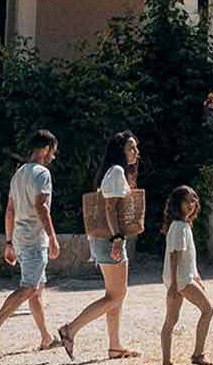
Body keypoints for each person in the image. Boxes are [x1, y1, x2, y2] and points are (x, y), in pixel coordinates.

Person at [0, 129, 62, 359]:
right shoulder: (42, 173)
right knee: (30, 287)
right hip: (34, 239)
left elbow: (10, 210)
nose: (54, 155)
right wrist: (53, 237)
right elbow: (42, 207)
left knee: (36, 290)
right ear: (45, 149)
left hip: (21, 238)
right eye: (53, 151)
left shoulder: (18, 174)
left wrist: (9, 242)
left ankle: (46, 338)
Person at [58, 130, 141, 359]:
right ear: (120, 151)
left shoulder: (114, 172)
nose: (136, 152)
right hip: (109, 239)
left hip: (104, 239)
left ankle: (115, 346)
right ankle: (70, 329)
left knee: (113, 295)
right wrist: (116, 238)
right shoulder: (115, 171)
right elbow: (109, 208)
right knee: (116, 296)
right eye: (131, 147)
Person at [158, 184, 213, 365]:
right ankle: (198, 355)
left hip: (182, 279)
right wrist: (174, 285)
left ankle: (167, 361)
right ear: (178, 204)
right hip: (181, 280)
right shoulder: (180, 226)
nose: (192, 204)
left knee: (171, 320)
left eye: (194, 200)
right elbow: (175, 256)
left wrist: (196, 277)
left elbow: (188, 257)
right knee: (208, 310)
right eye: (187, 201)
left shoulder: (182, 225)